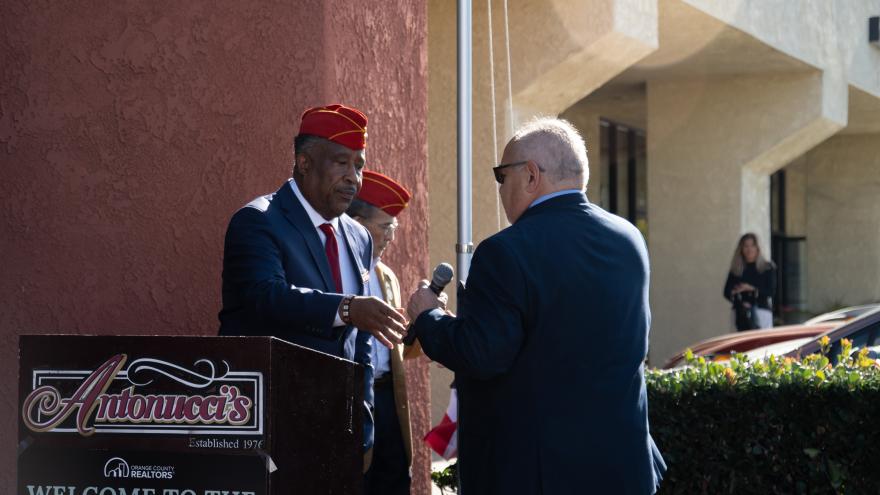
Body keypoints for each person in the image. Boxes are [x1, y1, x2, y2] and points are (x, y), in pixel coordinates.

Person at [406, 117, 666, 494]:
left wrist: (428, 315)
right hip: (623, 467)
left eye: (501, 175)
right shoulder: (629, 240)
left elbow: (483, 354)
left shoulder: (504, 251)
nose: (499, 187)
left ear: (530, 175)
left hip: (538, 475)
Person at [218, 104, 409, 455]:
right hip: (269, 429)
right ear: (304, 163)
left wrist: (361, 419)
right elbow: (265, 296)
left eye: (359, 165)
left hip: (337, 436)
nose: (354, 177)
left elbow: (362, 342)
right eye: (341, 163)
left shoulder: (359, 237)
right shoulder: (259, 221)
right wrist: (347, 308)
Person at [347, 170, 419, 494]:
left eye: (394, 227)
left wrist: (426, 325)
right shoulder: (338, 270)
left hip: (389, 399)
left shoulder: (387, 276)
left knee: (393, 481)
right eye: (385, 226)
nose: (391, 235)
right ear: (359, 223)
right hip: (353, 398)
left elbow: (396, 348)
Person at [723, 233, 776, 330]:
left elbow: (771, 292)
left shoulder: (767, 267)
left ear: (757, 248)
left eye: (752, 245)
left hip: (761, 312)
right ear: (741, 249)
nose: (749, 249)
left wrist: (751, 289)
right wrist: (736, 295)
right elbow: (726, 292)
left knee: (762, 344)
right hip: (740, 313)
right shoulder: (736, 269)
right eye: (746, 246)